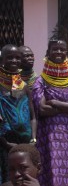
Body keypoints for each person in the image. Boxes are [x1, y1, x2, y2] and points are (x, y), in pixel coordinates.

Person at [32, 34, 68, 186]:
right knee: (51, 172)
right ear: (48, 53)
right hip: (49, 136)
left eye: (63, 50)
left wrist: (55, 102)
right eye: (55, 49)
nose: (59, 52)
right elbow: (42, 109)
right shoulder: (40, 81)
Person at [0, 44, 36, 184]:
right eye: (10, 58)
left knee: (26, 179)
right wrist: (6, 144)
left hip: (25, 145)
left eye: (17, 58)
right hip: (4, 145)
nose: (14, 61)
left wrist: (33, 139)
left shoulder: (24, 86)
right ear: (2, 59)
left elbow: (33, 117)